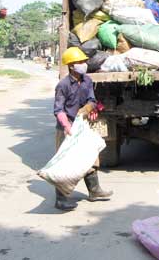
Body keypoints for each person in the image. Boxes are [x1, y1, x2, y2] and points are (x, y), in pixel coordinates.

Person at [48, 47, 113, 211]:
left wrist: (88, 110)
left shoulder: (87, 81)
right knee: (65, 163)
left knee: (90, 157)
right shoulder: (62, 85)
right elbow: (58, 110)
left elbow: (92, 100)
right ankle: (61, 199)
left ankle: (95, 191)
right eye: (80, 62)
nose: (84, 64)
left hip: (82, 125)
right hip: (66, 128)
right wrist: (67, 126)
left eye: (84, 61)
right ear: (71, 66)